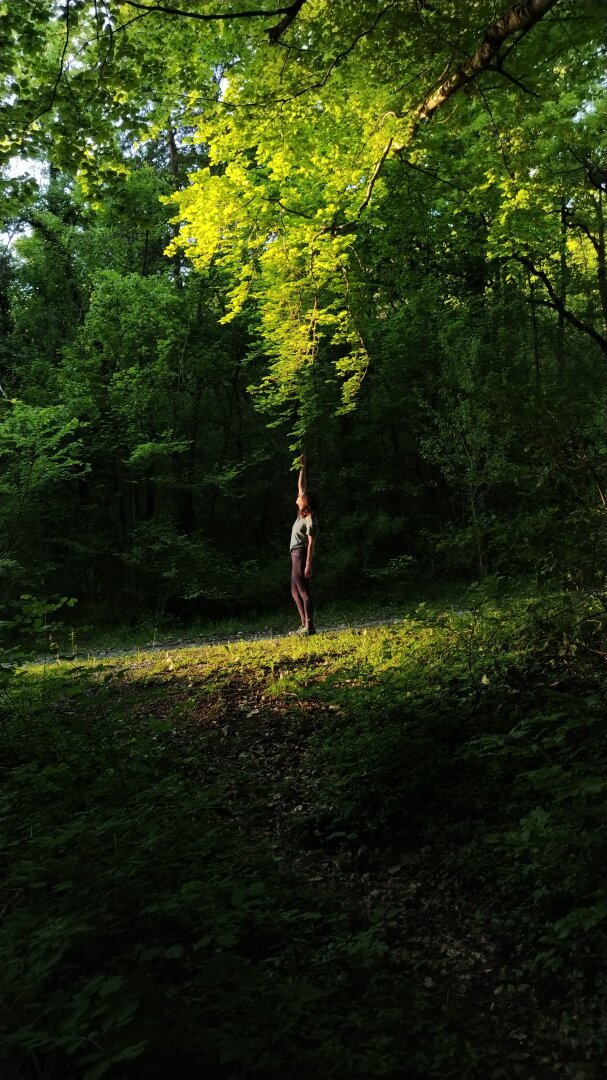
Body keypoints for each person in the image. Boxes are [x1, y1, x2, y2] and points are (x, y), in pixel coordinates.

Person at [290, 454, 318, 635]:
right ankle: (304, 625)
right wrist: (302, 467)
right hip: (294, 554)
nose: (299, 496)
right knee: (294, 592)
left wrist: (308, 563)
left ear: (307, 502)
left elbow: (312, 541)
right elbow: (302, 486)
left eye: (303, 496)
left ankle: (309, 627)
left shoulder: (310, 518)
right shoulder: (301, 513)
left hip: (301, 554)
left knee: (303, 591)